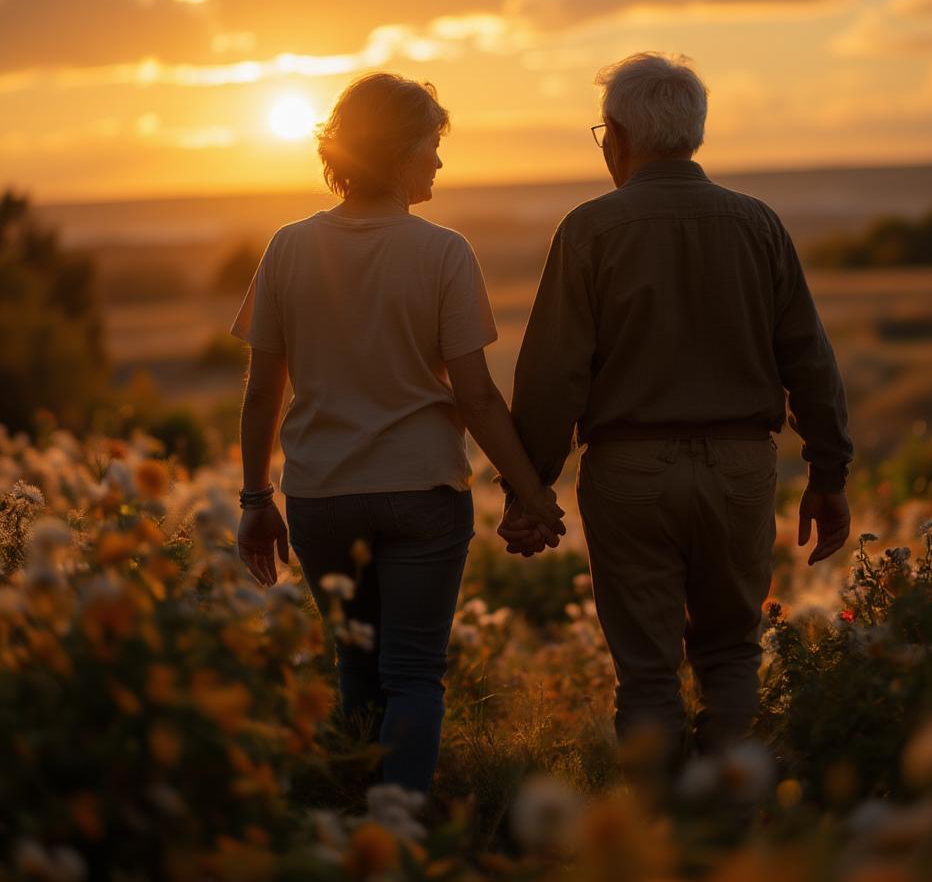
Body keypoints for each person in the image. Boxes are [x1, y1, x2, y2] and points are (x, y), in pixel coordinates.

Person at [498, 52, 853, 764]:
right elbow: (809, 360)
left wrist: (529, 491)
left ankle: (657, 835)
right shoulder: (759, 225)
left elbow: (553, 376)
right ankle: (729, 817)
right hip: (742, 469)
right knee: (730, 653)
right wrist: (829, 474)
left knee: (648, 672)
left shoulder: (589, 230)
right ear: (693, 134)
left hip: (629, 473)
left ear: (619, 137)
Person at [229, 72, 564, 795]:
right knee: (414, 675)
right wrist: (532, 493)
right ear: (398, 152)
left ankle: (359, 830)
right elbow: (475, 395)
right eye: (431, 146)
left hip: (323, 497)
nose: (438, 162)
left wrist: (257, 498)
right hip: (422, 494)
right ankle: (401, 834)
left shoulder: (288, 247)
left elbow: (262, 392)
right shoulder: (444, 253)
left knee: (357, 667)